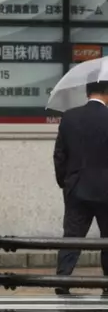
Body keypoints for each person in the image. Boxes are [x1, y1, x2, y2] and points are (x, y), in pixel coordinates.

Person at [53, 80, 108, 296]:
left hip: (76, 188)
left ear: (87, 93)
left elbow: (59, 154)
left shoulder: (70, 117)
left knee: (72, 236)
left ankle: (62, 280)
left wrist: (65, 182)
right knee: (107, 238)